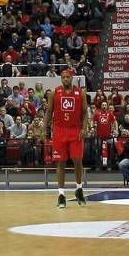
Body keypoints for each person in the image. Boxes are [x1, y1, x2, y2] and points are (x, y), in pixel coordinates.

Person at [44, 68, 90, 208]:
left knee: (77, 160)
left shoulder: (80, 93)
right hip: (59, 130)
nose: (65, 79)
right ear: (60, 79)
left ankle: (79, 189)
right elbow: (48, 112)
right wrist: (44, 128)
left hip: (75, 130)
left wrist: (84, 128)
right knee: (61, 163)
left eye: (68, 77)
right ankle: (61, 195)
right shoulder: (54, 93)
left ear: (72, 78)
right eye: (63, 77)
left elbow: (85, 112)